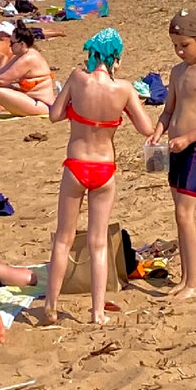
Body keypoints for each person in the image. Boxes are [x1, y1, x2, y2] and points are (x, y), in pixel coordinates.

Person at [44, 30, 153, 325]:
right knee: (98, 242)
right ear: (115, 58)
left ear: (92, 54)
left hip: (76, 164)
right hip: (104, 167)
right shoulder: (125, 89)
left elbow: (54, 115)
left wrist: (72, 110)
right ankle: (97, 312)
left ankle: (51, 307)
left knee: (64, 239)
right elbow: (146, 128)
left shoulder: (78, 79)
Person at [146, 8, 196, 300]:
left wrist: (188, 138)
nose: (180, 52)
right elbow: (169, 109)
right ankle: (184, 278)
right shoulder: (177, 71)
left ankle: (194, 281)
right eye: (175, 46)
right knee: (179, 215)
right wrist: (158, 130)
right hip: (175, 148)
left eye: (185, 45)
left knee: (185, 214)